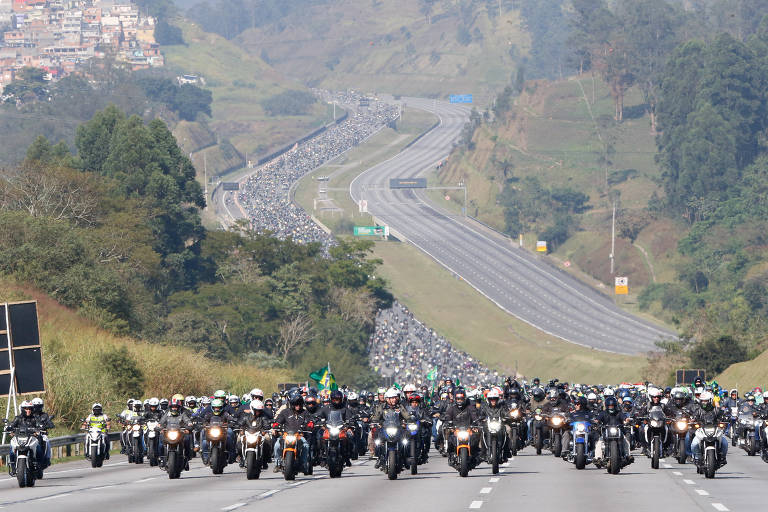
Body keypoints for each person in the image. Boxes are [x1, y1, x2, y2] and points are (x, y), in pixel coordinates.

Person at [272, 391, 311, 473]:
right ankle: (278, 464)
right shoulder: (285, 412)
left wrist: (310, 424)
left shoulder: (305, 412)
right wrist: (275, 425)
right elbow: (278, 421)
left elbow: (309, 421)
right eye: (296, 404)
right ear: (292, 404)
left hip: (299, 435)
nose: (298, 406)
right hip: (286, 435)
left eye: (300, 403)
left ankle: (303, 464)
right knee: (277, 445)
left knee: (305, 446)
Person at [441, 388, 483, 460]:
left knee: (476, 438)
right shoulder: (452, 408)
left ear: (464, 399)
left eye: (461, 399)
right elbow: (447, 415)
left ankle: (476, 454)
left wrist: (477, 422)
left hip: (468, 429)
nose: (459, 401)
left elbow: (474, 416)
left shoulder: (469, 408)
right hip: (456, 430)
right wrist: (448, 422)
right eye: (458, 399)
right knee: (450, 439)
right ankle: (449, 451)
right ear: (455, 399)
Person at [4, 401, 43, 475]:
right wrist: (9, 429)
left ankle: (39, 466)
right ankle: (13, 467)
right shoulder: (18, 418)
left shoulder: (35, 418)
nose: (28, 410)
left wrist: (39, 429)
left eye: (29, 409)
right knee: (12, 450)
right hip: (19, 438)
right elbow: (12, 425)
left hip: (31, 438)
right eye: (26, 408)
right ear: (22, 409)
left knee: (38, 448)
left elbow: (39, 425)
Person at [691, 391, 728, 465]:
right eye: (702, 401)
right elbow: (693, 417)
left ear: (710, 400)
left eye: (706, 401)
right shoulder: (698, 410)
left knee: (724, 443)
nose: (704, 403)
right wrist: (692, 420)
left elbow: (723, 416)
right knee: (694, 444)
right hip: (702, 430)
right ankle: (697, 458)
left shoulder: (716, 410)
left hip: (715, 430)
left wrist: (725, 418)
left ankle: (722, 457)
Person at [594, 396, 632, 465]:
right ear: (607, 406)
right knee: (599, 442)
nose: (611, 407)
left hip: (618, 431)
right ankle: (598, 458)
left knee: (625, 441)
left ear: (615, 406)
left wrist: (627, 420)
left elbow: (624, 418)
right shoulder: (603, 413)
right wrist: (596, 422)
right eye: (609, 406)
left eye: (612, 406)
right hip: (606, 432)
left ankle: (627, 455)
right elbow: (597, 419)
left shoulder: (619, 413)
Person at [159, 397, 193, 471]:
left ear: (179, 408)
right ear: (170, 408)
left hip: (179, 433)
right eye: (173, 407)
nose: (174, 408)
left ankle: (186, 458)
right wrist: (159, 427)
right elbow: (161, 422)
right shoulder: (167, 414)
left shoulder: (182, 414)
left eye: (176, 407)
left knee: (187, 440)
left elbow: (188, 421)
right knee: (161, 442)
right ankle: (162, 458)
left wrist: (189, 425)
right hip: (168, 433)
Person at [237, 400, 272, 469]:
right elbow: (240, 423)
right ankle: (241, 458)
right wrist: (239, 427)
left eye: (259, 410)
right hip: (248, 434)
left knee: (268, 440)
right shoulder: (246, 416)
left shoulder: (263, 417)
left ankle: (265, 460)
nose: (258, 412)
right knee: (239, 441)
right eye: (256, 410)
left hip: (260, 433)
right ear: (252, 409)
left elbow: (267, 425)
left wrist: (265, 429)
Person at [31, 397, 54, 468]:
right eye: (35, 406)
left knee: (46, 440)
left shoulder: (44, 415)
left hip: (42, 434)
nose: (37, 408)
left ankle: (47, 458)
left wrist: (49, 425)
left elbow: (50, 423)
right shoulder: (29, 415)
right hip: (31, 434)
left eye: (39, 406)